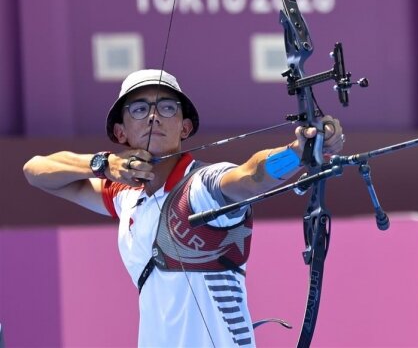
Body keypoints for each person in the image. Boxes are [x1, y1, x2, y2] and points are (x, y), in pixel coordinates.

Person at [23, 69, 344, 347]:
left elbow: (250, 176)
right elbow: (36, 172)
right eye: (138, 109)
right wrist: (101, 164)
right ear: (120, 132)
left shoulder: (202, 186)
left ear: (185, 128)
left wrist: (299, 152)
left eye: (166, 107)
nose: (153, 116)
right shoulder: (127, 196)